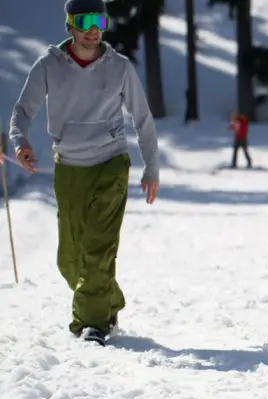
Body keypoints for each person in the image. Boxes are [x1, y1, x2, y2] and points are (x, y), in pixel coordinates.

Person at [8, 0, 160, 346]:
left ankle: (91, 325)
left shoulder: (119, 67)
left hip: (110, 163)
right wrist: (20, 143)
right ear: (70, 24)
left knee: (97, 248)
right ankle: (108, 300)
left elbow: (143, 119)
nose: (94, 29)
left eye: (101, 20)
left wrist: (151, 167)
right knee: (69, 259)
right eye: (86, 20)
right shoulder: (48, 65)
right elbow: (22, 111)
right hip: (69, 168)